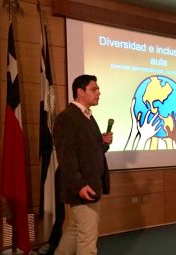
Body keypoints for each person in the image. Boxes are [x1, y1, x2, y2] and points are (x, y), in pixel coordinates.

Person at [53, 74, 113, 255]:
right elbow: (66, 157)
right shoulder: (67, 118)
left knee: (75, 231)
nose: (99, 93)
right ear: (80, 92)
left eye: (98, 89)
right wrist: (79, 185)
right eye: (94, 89)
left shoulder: (87, 116)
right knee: (87, 241)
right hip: (83, 186)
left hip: (92, 183)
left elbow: (90, 153)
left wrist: (103, 143)